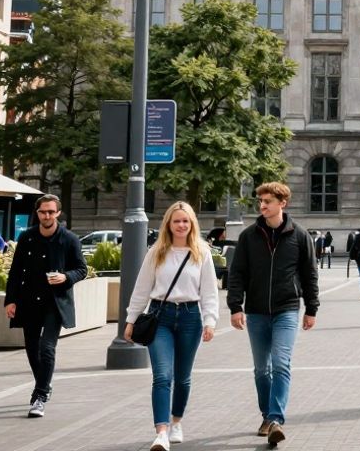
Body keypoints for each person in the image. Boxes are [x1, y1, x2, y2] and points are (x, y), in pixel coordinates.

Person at [227, 182, 319, 446]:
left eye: (268, 201)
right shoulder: (248, 236)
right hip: (255, 312)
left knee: (280, 363)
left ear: (282, 203)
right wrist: (235, 306)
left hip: (287, 309)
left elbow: (309, 274)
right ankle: (267, 415)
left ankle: (276, 419)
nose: (263, 205)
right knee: (261, 370)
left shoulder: (300, 236)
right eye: (261, 201)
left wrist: (311, 308)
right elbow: (237, 274)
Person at [124, 202, 221, 451]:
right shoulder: (157, 252)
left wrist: (210, 321)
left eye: (185, 221)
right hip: (160, 317)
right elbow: (141, 288)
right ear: (168, 223)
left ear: (192, 224)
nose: (181, 225)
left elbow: (209, 291)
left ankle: (177, 420)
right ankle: (162, 432)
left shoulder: (201, 252)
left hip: (190, 317)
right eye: (176, 221)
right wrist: (131, 319)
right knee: (162, 376)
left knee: (183, 378)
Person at [3, 194, 87, 418]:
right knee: (31, 348)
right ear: (37, 213)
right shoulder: (27, 237)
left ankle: (39, 395)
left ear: (58, 213)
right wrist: (10, 300)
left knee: (46, 347)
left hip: (55, 302)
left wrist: (65, 277)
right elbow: (15, 271)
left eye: (51, 211)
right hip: (28, 300)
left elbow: (82, 269)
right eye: (43, 212)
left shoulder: (69, 239)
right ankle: (45, 385)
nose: (47, 215)